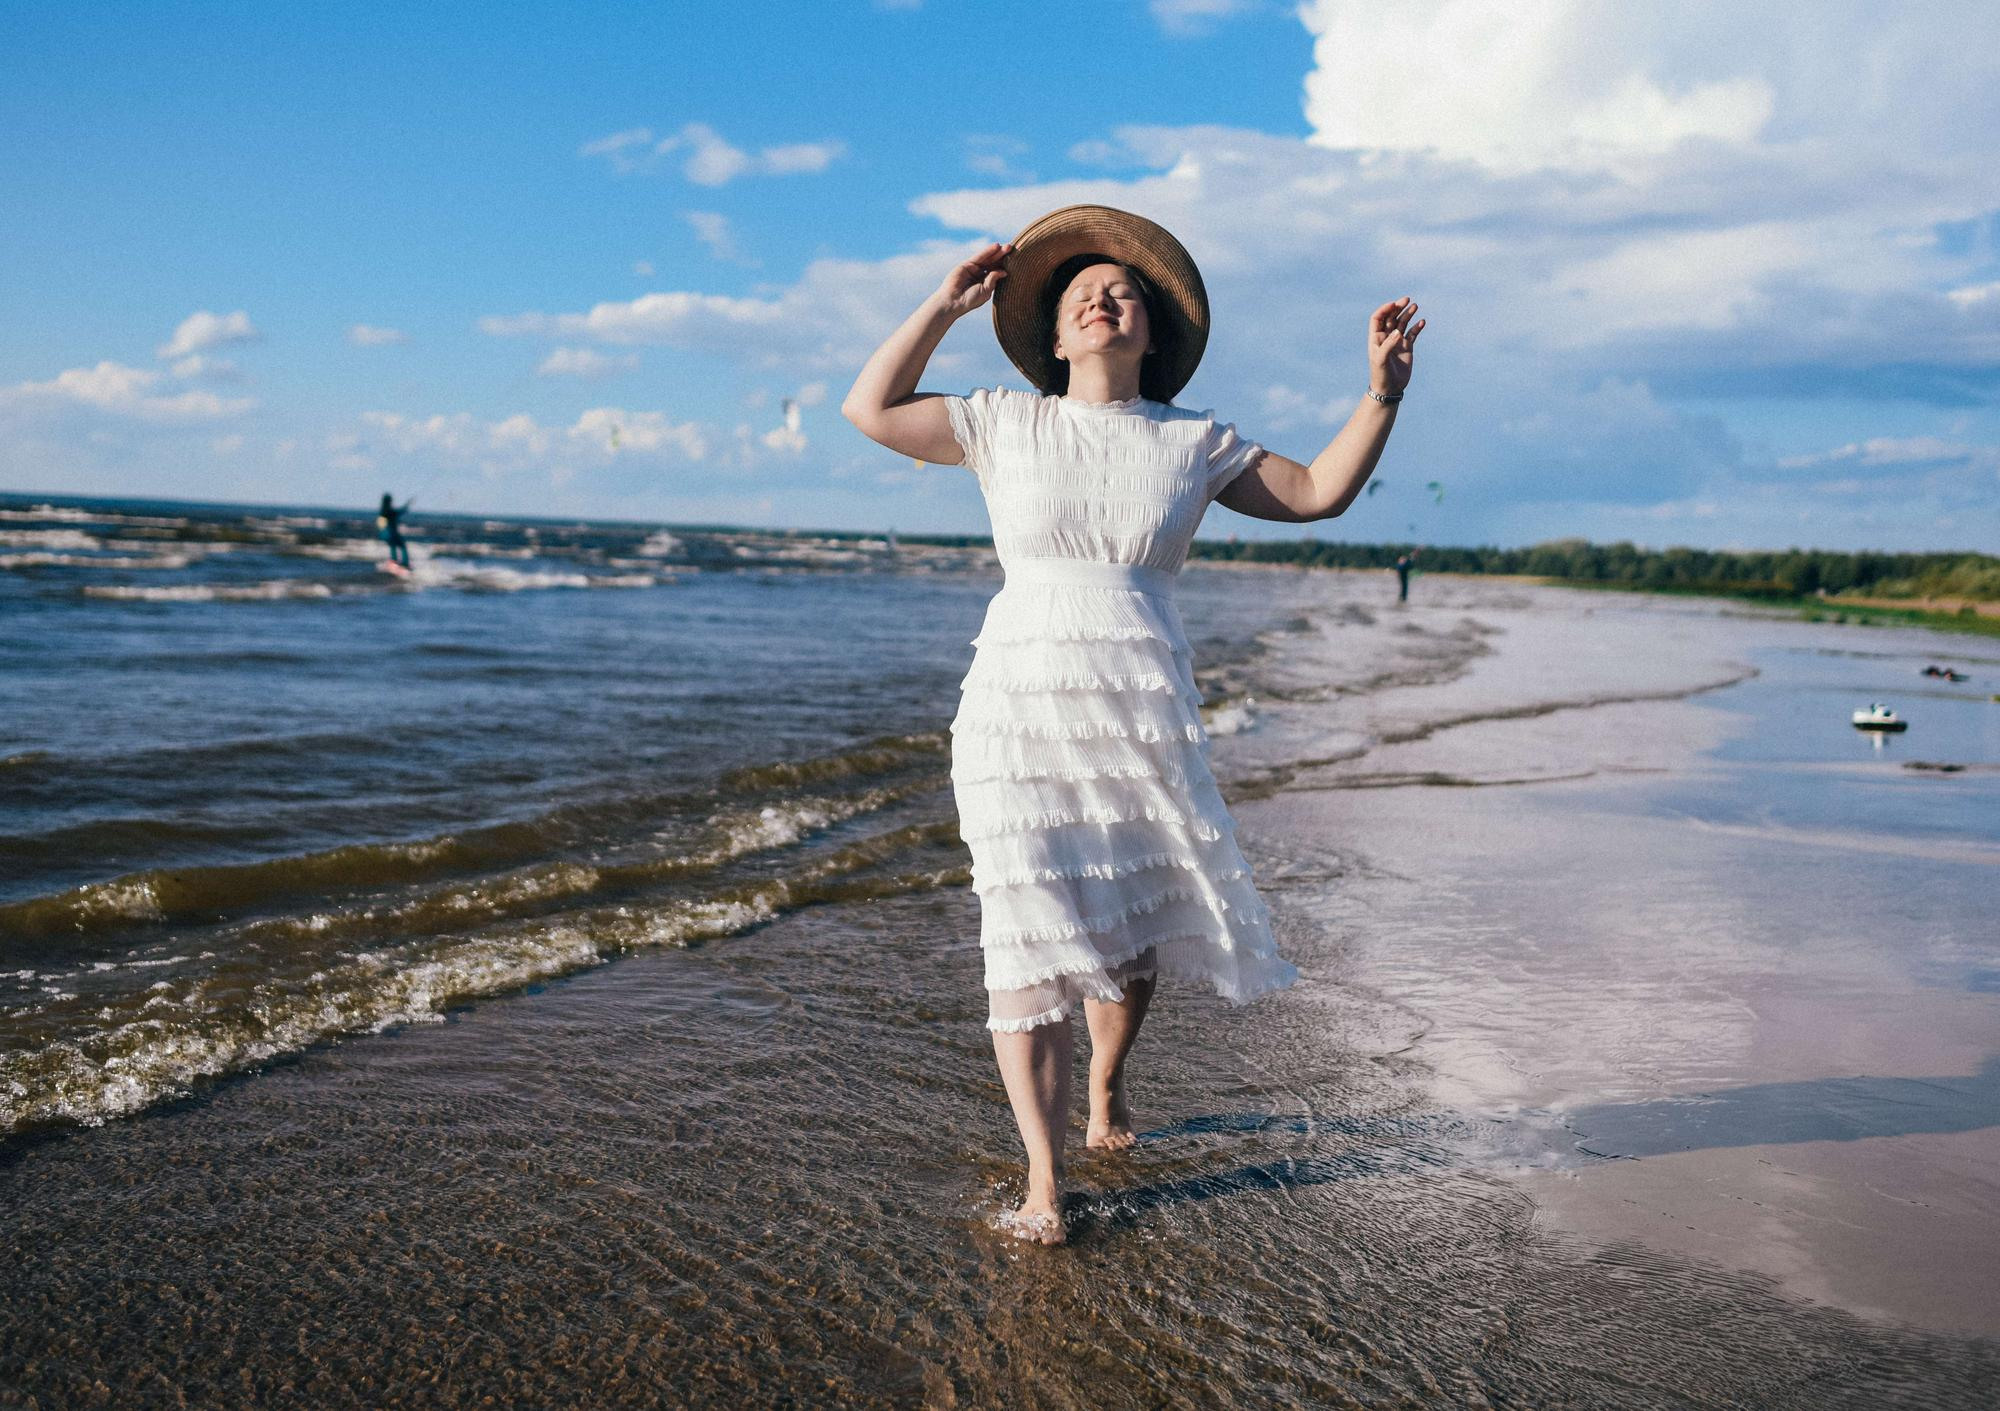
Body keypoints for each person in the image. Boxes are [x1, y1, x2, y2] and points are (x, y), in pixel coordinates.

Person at [841, 204, 1423, 1243]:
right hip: (1015, 707)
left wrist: (1380, 392)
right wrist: (941, 304)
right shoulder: (998, 422)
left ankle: (1107, 1079)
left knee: (1125, 930)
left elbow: (1319, 493)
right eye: (1078, 297)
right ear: (1053, 338)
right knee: (1023, 928)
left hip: (1137, 707)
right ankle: (1043, 1183)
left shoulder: (1191, 443)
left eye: (1121, 295)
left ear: (1149, 335)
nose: (1101, 302)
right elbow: (870, 407)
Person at [376, 492, 412, 571]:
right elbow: (398, 512)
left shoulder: (382, 511)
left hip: (385, 534)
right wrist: (407, 505)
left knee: (393, 546)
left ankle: (393, 561)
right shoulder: (389, 511)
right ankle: (405, 564)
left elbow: (380, 523)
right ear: (389, 501)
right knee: (402, 546)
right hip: (391, 533)